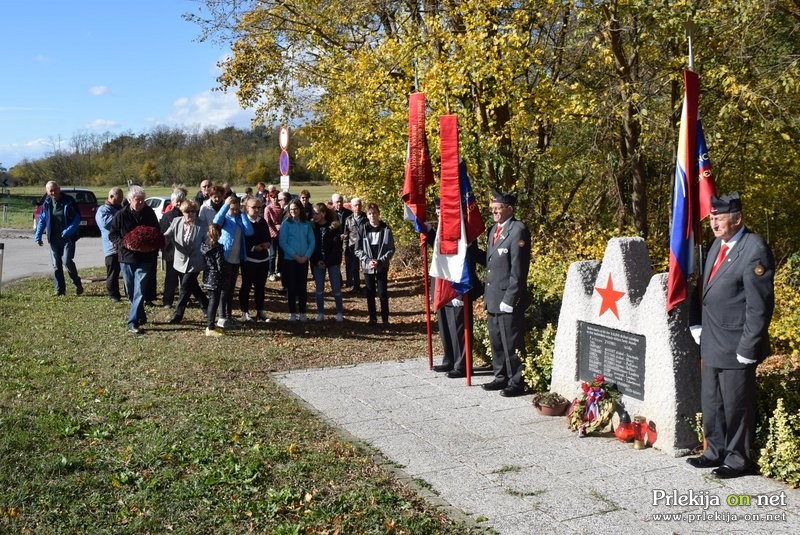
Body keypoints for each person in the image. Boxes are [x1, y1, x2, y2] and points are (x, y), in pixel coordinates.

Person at [686, 192, 775, 479]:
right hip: (712, 340)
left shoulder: (753, 249)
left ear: (737, 219)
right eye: (712, 217)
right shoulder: (717, 245)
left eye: (719, 217)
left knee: (737, 404)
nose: (713, 222)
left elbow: (759, 305)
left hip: (737, 344)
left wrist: (749, 346)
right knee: (712, 402)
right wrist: (696, 323)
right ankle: (715, 451)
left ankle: (737, 459)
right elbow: (704, 289)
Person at [482, 189, 531, 397]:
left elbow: (518, 269)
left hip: (507, 297)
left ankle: (516, 381)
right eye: (492, 207)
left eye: (498, 207)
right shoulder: (493, 230)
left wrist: (511, 297)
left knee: (511, 341)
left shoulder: (518, 230)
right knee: (496, 340)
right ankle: (501, 376)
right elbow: (490, 262)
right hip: (493, 296)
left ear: (509, 209)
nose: (494, 210)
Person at [109, 186, 164, 335]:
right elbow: (112, 234)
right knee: (131, 290)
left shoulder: (149, 213)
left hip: (146, 257)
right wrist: (124, 243)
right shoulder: (121, 215)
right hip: (127, 258)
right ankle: (140, 313)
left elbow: (156, 232)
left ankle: (132, 322)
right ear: (129, 200)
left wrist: (152, 245)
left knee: (139, 289)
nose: (140, 202)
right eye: (137, 199)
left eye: (142, 199)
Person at [33, 181, 84, 297]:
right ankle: (60, 290)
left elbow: (77, 219)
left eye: (55, 189)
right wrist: (38, 235)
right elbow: (42, 220)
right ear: (47, 191)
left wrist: (67, 231)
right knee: (56, 264)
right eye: (50, 190)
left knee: (67, 261)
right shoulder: (47, 203)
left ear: (59, 188)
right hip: (53, 238)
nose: (53, 192)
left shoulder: (69, 201)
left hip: (68, 238)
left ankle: (77, 283)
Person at [163, 200, 209, 324]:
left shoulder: (202, 225)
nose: (190, 214)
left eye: (193, 211)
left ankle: (177, 315)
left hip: (195, 261)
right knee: (193, 286)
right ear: (182, 212)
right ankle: (206, 306)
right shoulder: (176, 221)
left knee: (184, 287)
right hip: (180, 261)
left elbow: (207, 242)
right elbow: (167, 235)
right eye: (187, 211)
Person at [213, 195, 254, 329]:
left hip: (236, 259)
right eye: (232, 209)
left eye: (236, 209)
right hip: (225, 258)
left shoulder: (239, 219)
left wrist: (241, 213)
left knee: (231, 290)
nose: (234, 211)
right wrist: (225, 206)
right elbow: (215, 221)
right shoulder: (225, 219)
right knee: (224, 289)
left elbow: (249, 231)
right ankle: (222, 317)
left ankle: (228, 316)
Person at [355, 203, 395, 326]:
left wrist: (381, 261)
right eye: (370, 213)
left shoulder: (386, 228)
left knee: (383, 293)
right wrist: (368, 260)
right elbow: (358, 249)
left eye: (375, 213)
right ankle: (372, 318)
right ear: (367, 215)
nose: (373, 216)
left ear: (379, 213)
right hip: (368, 267)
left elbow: (391, 249)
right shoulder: (363, 229)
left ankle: (385, 319)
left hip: (382, 266)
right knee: (370, 292)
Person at [279, 199, 315, 321]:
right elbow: (283, 242)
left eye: (296, 208)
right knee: (291, 287)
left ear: (300, 209)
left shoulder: (306, 224)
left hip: (304, 260)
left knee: (302, 287)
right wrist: (295, 256)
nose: (293, 211)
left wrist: (306, 256)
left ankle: (303, 312)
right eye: (291, 209)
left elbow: (312, 241)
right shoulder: (286, 223)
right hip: (290, 260)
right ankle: (292, 312)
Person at [240, 197, 272, 322]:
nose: (257, 210)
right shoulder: (243, 222)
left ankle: (260, 311)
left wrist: (267, 244)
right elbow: (243, 241)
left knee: (260, 287)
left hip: (263, 260)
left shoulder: (262, 221)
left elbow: (268, 238)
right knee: (246, 286)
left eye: (259, 207)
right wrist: (254, 248)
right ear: (247, 208)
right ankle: (245, 312)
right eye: (254, 207)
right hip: (249, 260)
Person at [311, 203, 344, 321]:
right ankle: (320, 312)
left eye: (316, 213)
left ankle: (339, 312)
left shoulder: (333, 227)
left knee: (336, 287)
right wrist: (317, 260)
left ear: (323, 214)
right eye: (313, 213)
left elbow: (336, 248)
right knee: (319, 288)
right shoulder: (312, 227)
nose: (314, 216)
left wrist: (327, 261)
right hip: (317, 261)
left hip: (332, 262)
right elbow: (311, 246)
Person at [159, 186, 187, 308]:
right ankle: (167, 301)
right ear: (173, 202)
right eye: (177, 201)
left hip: (185, 252)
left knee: (184, 278)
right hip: (171, 251)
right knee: (171, 278)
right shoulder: (167, 216)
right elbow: (164, 234)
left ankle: (184, 299)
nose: (179, 203)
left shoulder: (187, 214)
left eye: (182, 200)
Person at [95, 186, 124, 301]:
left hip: (122, 246)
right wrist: (122, 217)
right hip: (111, 248)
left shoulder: (119, 208)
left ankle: (128, 292)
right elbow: (108, 224)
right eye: (119, 197)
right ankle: (113, 295)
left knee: (125, 272)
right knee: (113, 273)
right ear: (111, 197)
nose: (121, 200)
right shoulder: (103, 210)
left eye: (122, 197)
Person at [201, 224, 226, 336]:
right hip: (216, 277)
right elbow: (220, 264)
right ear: (219, 234)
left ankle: (211, 325)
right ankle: (210, 327)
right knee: (214, 302)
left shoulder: (204, 246)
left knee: (211, 299)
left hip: (207, 276)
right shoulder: (218, 248)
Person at [343, 197, 367, 292]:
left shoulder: (366, 218)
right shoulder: (348, 219)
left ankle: (368, 286)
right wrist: (345, 250)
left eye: (359, 205)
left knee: (366, 267)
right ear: (352, 207)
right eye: (355, 205)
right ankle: (356, 286)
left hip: (365, 246)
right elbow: (346, 236)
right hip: (352, 247)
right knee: (354, 268)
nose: (358, 207)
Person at [264, 189, 284, 281]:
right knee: (272, 254)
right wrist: (275, 229)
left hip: (281, 234)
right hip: (272, 234)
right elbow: (267, 222)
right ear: (270, 198)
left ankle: (279, 270)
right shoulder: (268, 208)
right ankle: (271, 272)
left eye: (276, 197)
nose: (275, 199)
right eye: (273, 197)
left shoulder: (281, 207)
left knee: (281, 253)